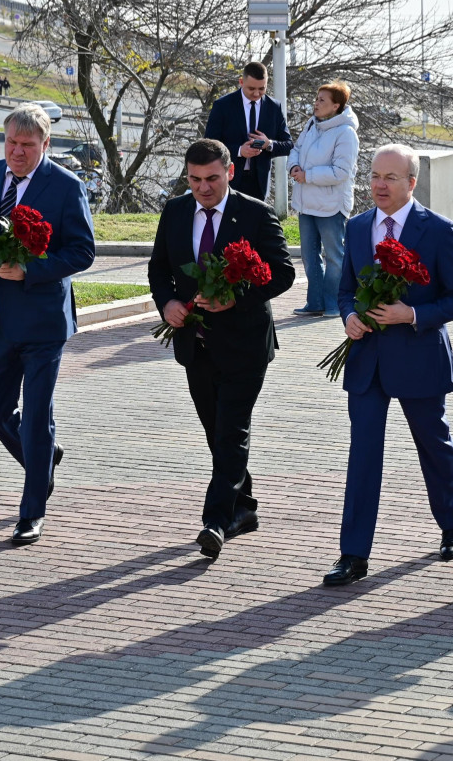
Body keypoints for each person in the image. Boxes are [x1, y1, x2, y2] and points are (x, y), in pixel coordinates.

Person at [323, 144, 453, 586]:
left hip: (420, 358)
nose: (379, 185)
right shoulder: (357, 227)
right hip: (367, 361)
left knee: (434, 445)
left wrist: (412, 315)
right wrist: (350, 316)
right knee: (363, 456)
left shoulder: (438, 230)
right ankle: (353, 554)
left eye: (391, 177)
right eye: (374, 175)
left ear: (412, 182)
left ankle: (451, 524)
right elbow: (346, 289)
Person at [0, 105, 97, 546]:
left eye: (27, 146)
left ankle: (32, 511)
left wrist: (31, 269)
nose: (17, 153)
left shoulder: (66, 186)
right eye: (11, 143)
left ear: (46, 145)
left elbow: (82, 252)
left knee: (36, 417)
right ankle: (43, 461)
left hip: (42, 321)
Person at [148, 138, 295, 561]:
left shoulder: (255, 213)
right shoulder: (176, 212)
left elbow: (282, 274)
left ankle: (214, 521)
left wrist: (237, 297)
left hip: (245, 343)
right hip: (195, 344)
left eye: (212, 178)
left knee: (231, 430)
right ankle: (243, 509)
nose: (203, 188)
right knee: (216, 431)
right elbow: (160, 269)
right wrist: (168, 304)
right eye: (194, 180)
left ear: (229, 172)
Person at [287, 82, 359, 317]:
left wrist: (307, 176)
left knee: (334, 256)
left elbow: (341, 172)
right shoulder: (311, 124)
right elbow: (295, 149)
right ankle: (315, 302)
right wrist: (295, 167)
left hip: (331, 205)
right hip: (306, 203)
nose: (316, 104)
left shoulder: (346, 133)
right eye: (316, 99)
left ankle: (334, 304)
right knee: (309, 256)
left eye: (322, 101)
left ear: (336, 106)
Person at [203, 61, 292, 203]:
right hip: (228, 179)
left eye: (262, 89)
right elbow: (209, 144)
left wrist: (268, 144)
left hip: (259, 182)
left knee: (255, 224)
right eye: (251, 88)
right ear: (241, 82)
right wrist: (239, 151)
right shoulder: (223, 106)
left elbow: (288, 145)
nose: (257, 93)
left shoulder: (274, 107)